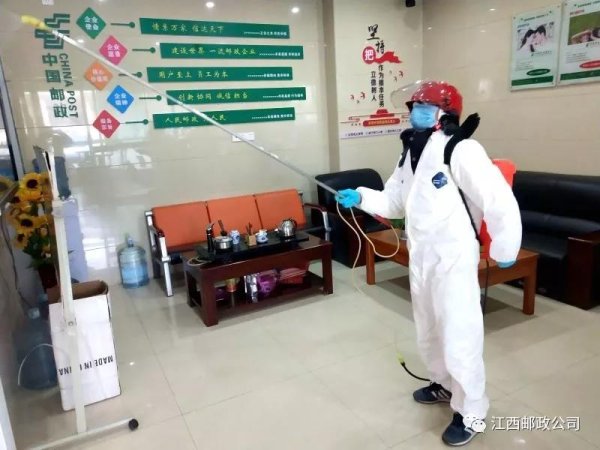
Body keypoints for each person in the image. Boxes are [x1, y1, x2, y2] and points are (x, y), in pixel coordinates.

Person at [335, 81, 522, 446]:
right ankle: (442, 383)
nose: (415, 112)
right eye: (414, 106)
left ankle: (472, 412)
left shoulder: (461, 148)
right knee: (429, 328)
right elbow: (394, 201)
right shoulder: (411, 152)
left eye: (423, 106)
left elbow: (497, 198)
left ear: (444, 112)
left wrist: (505, 245)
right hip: (422, 255)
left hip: (454, 255)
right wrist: (360, 197)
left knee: (459, 333)